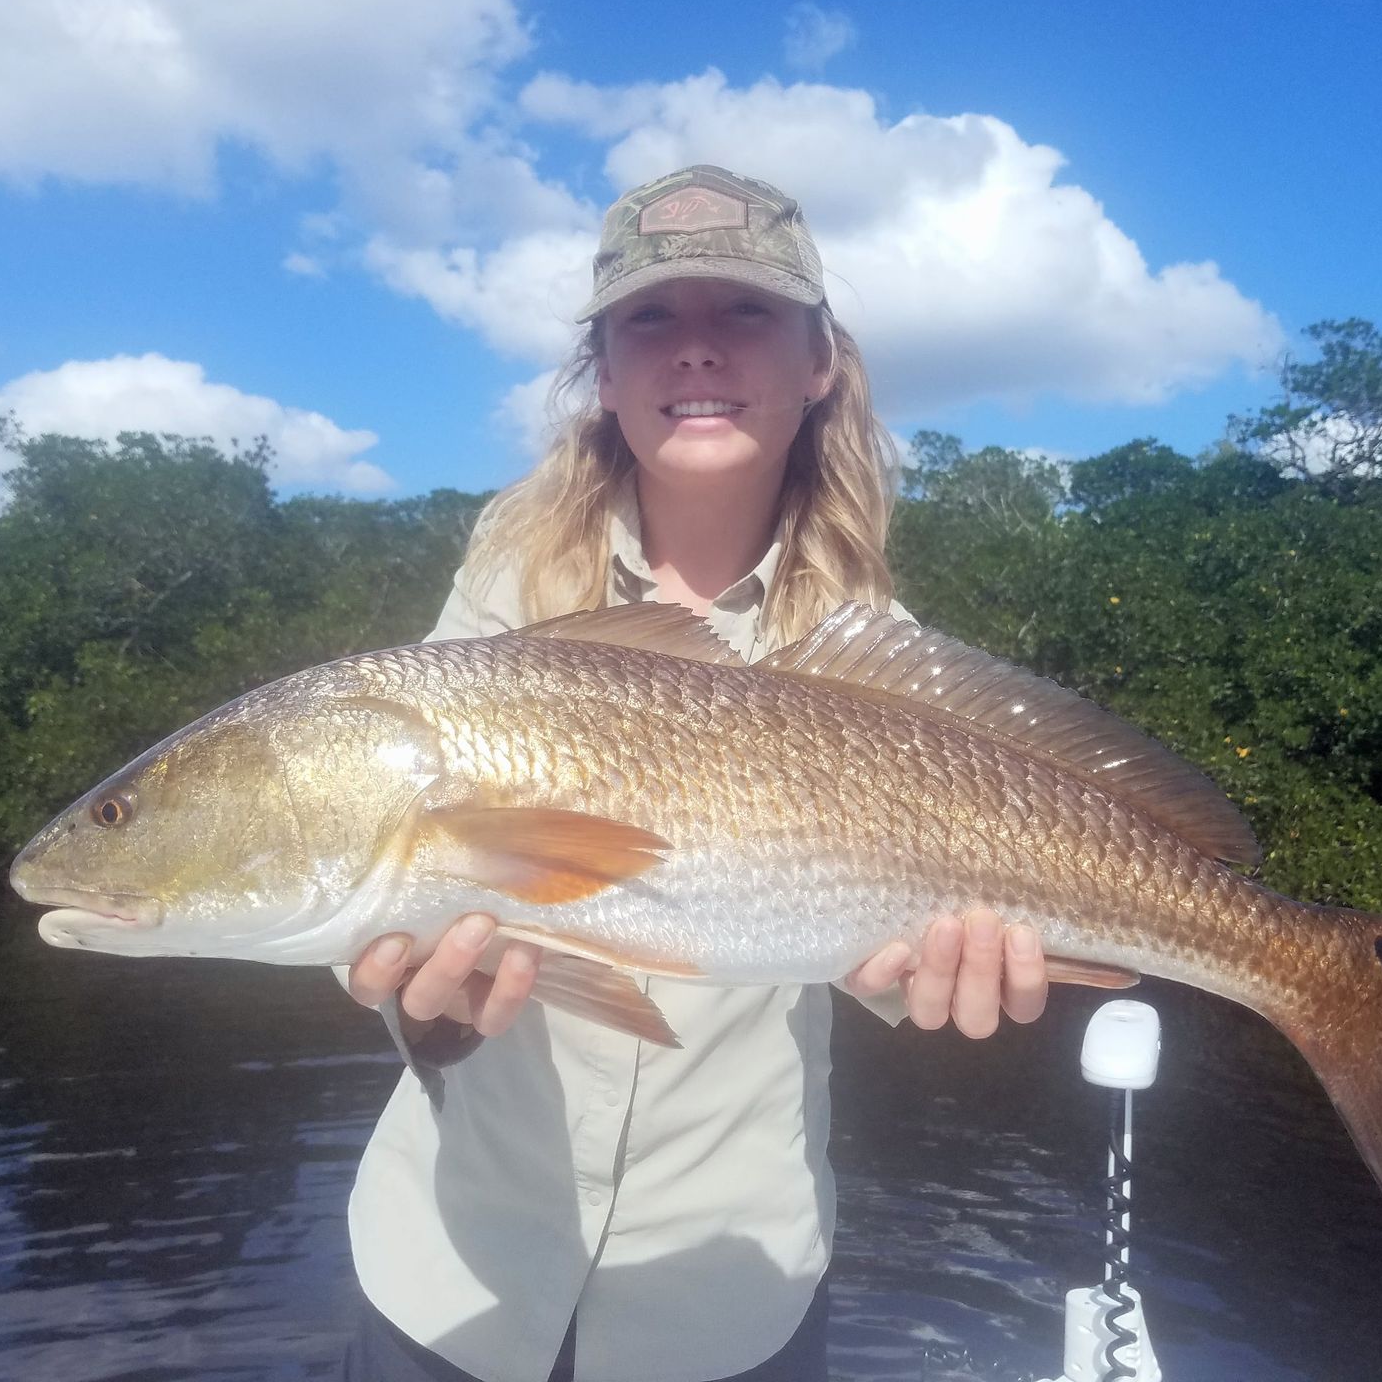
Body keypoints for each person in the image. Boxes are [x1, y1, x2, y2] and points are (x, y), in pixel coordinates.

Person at [340, 165, 1050, 1382]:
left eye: (747, 313)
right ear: (603, 376)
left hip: (729, 1304)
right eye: (652, 320)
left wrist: (947, 984)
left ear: (821, 360)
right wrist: (426, 1008)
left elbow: (882, 968)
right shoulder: (500, 599)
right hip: (453, 1274)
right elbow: (410, 916)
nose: (698, 353)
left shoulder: (883, 675)